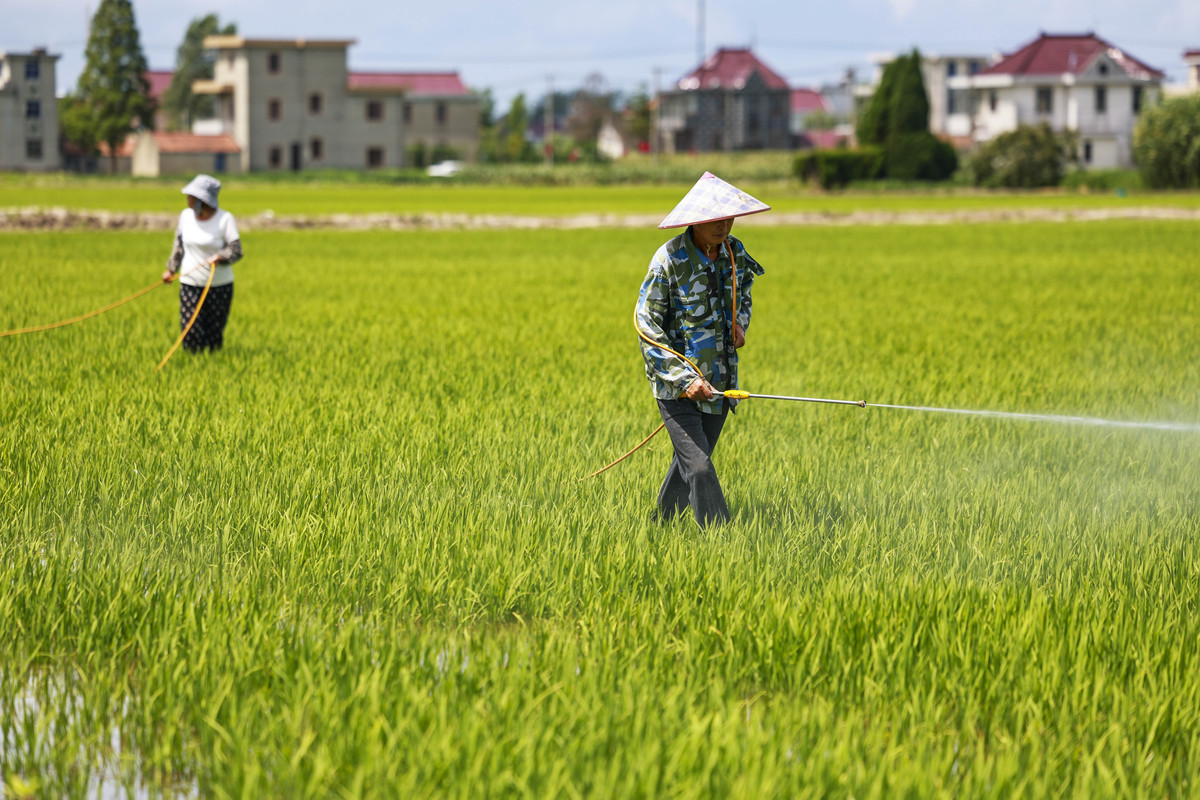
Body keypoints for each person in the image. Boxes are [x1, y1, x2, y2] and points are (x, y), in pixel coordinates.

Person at [635, 172, 769, 527]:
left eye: (729, 217)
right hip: (677, 388)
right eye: (716, 218)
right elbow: (646, 328)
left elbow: (745, 287)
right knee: (699, 465)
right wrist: (682, 381)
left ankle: (659, 527)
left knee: (690, 466)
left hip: (720, 382)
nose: (724, 225)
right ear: (695, 220)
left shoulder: (733, 250)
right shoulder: (668, 262)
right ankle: (722, 539)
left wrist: (740, 322)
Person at [161, 174, 243, 352]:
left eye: (191, 196)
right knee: (190, 330)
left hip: (219, 285)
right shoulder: (186, 216)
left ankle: (212, 365)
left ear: (201, 200)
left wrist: (220, 256)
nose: (187, 199)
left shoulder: (224, 219)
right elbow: (179, 246)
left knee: (213, 333)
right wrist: (170, 270)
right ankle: (192, 365)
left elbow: (236, 250)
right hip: (190, 283)